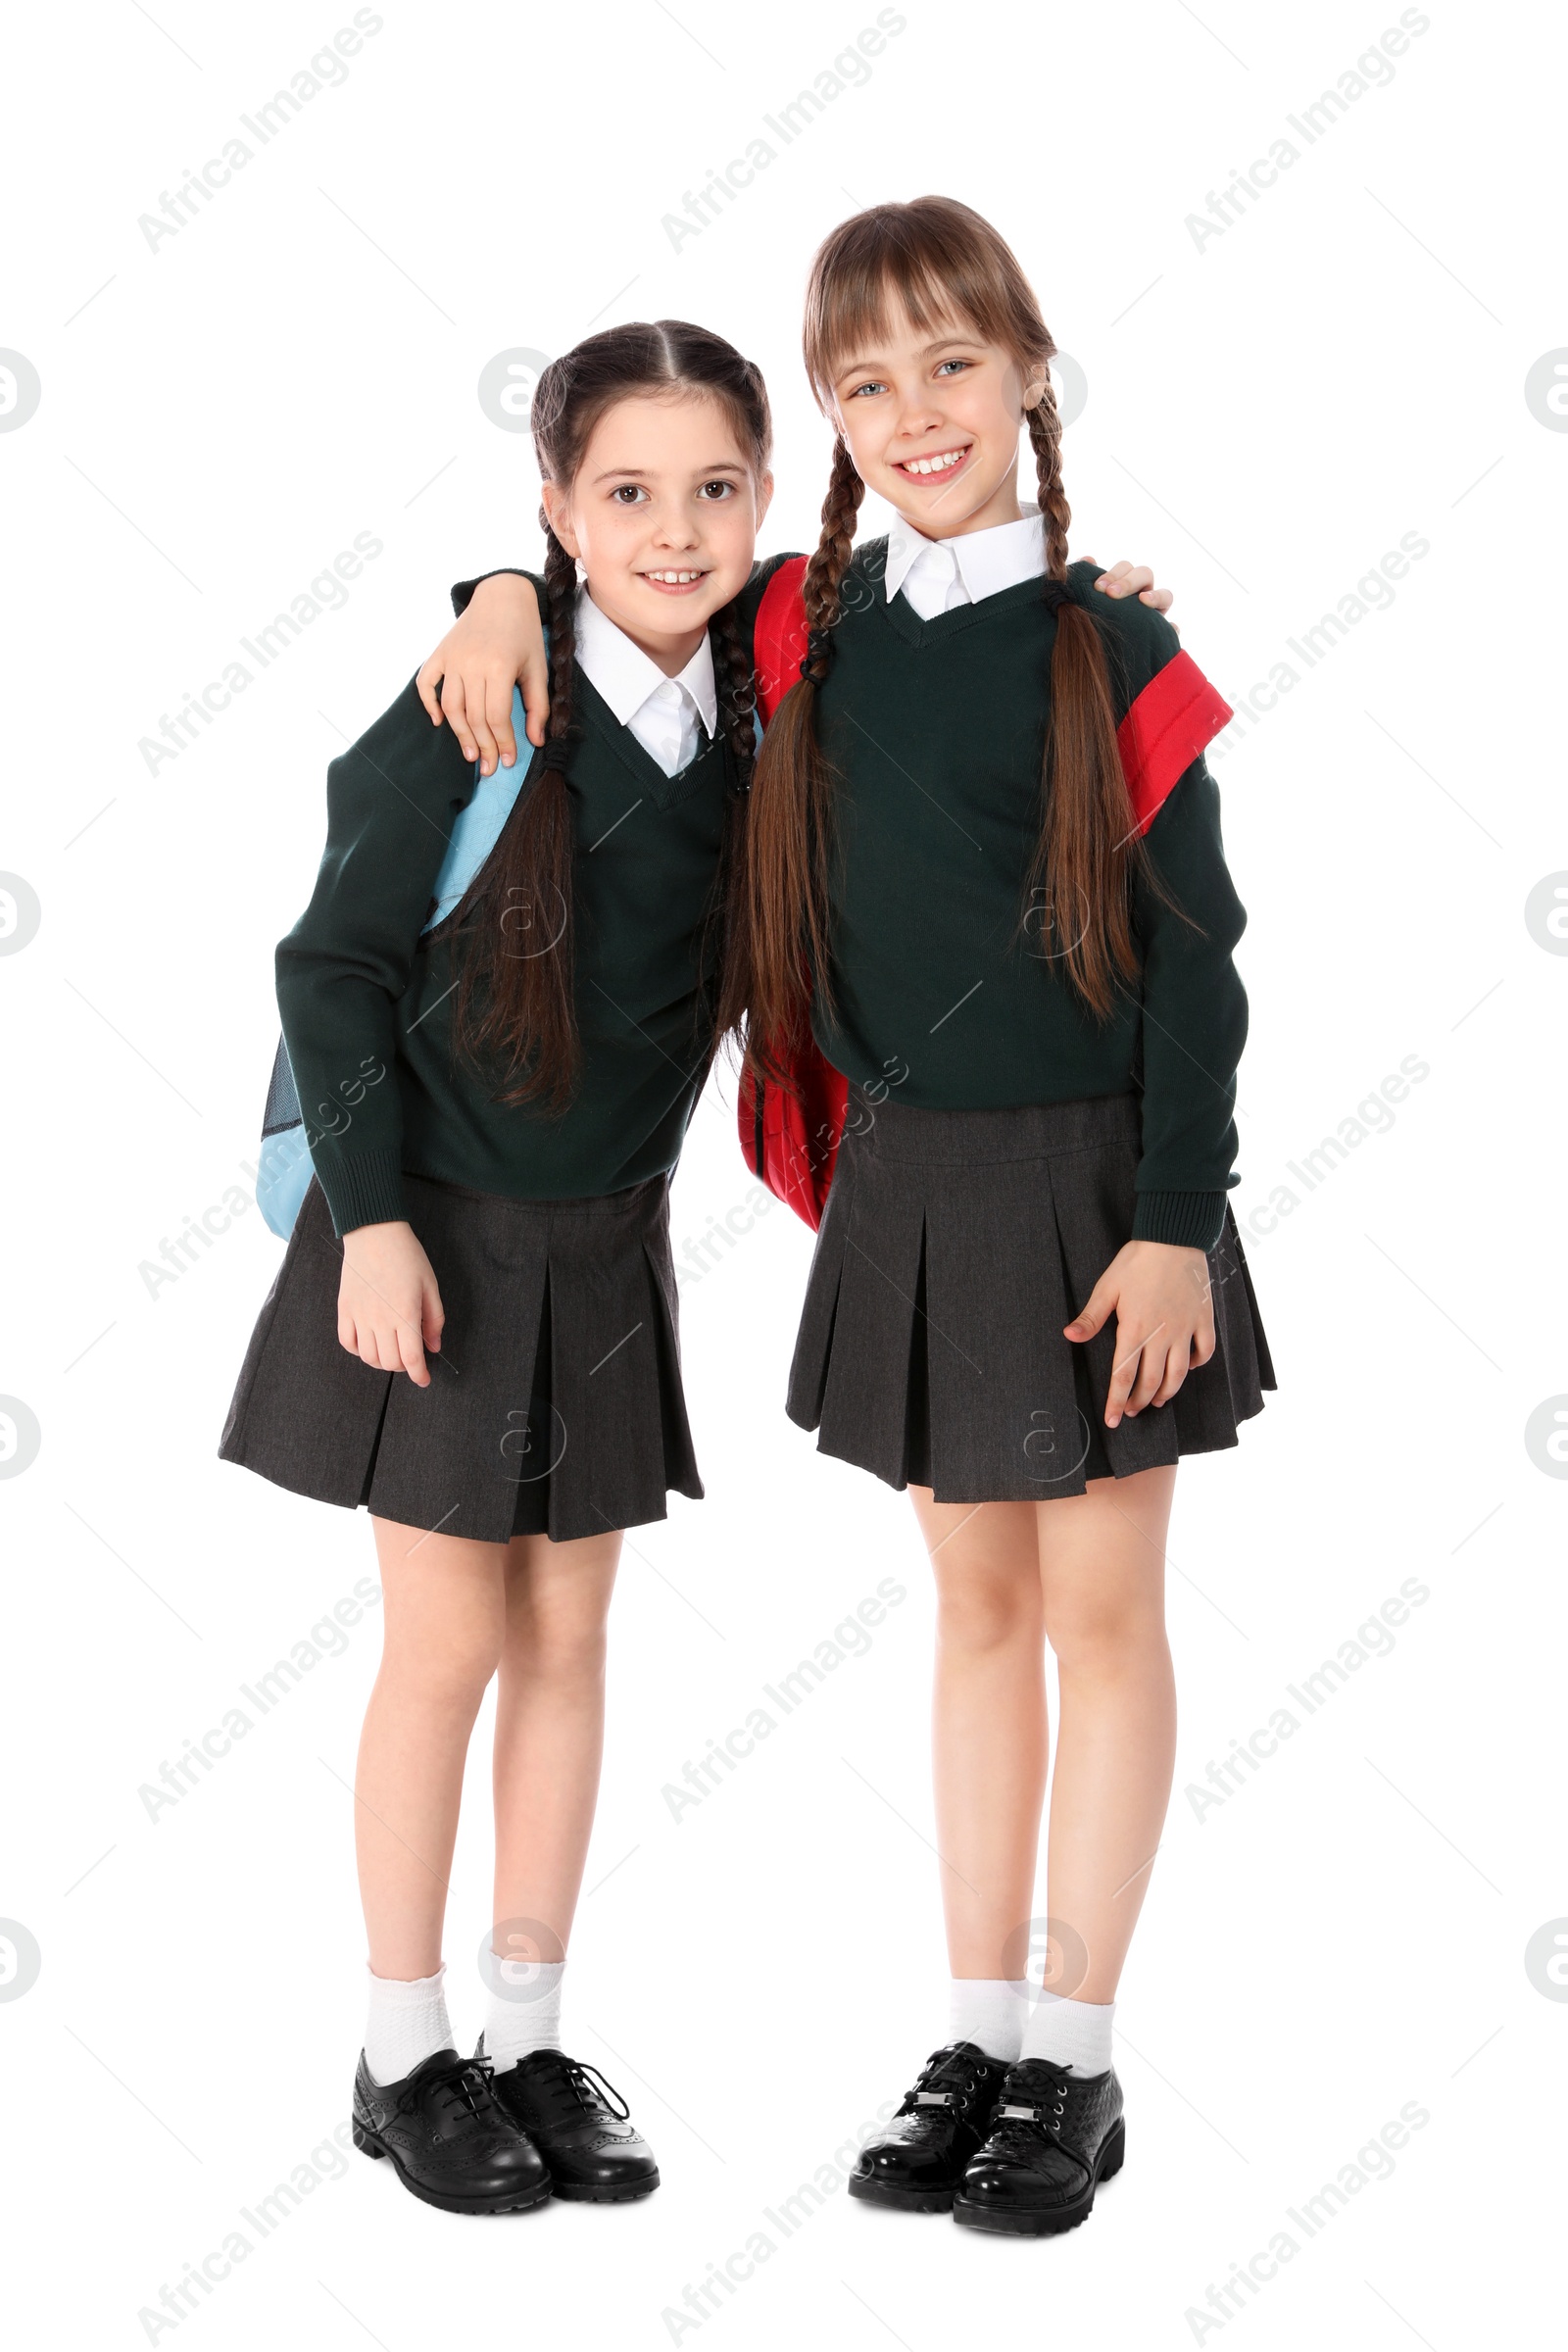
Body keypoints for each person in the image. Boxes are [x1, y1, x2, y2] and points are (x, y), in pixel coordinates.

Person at [220, 318, 787, 2214]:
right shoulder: (479, 698)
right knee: (449, 1641)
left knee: (568, 1640)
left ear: (766, 500)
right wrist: (369, 1219)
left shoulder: (764, 702)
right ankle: (402, 2054)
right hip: (436, 1236)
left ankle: (531, 2033)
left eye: (716, 486)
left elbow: (916, 592)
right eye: (624, 492)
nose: (675, 527)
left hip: (608, 1245)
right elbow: (333, 965)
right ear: (553, 508)